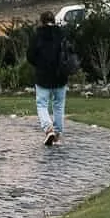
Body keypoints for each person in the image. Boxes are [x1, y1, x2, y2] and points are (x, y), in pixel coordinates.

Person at [27, 10, 73, 148]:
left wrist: (39, 65)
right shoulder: (62, 34)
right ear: (54, 20)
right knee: (58, 105)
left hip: (43, 76)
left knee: (42, 104)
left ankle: (48, 129)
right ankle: (58, 134)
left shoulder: (37, 36)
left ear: (41, 21)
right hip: (60, 76)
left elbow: (30, 55)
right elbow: (69, 52)